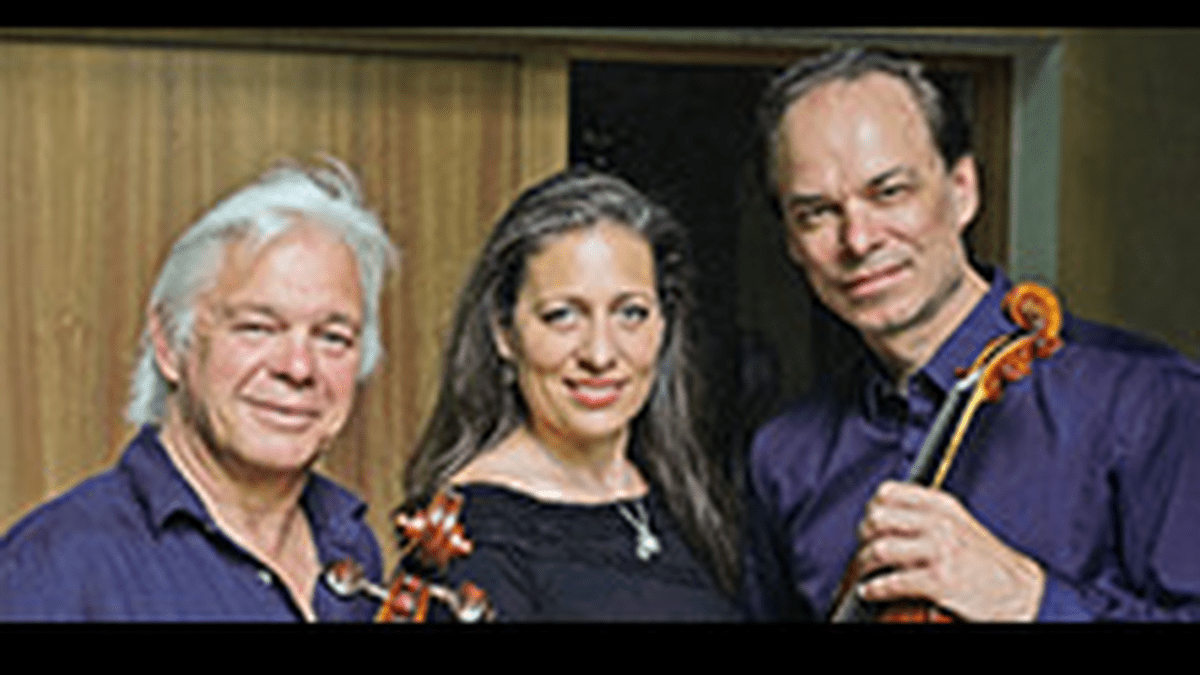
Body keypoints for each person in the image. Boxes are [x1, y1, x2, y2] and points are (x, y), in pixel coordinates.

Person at [743, 49, 1200, 621]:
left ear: (963, 189)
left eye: (889, 192)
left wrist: (1029, 599)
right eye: (816, 213)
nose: (858, 240)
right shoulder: (785, 455)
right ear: (792, 242)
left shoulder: (1147, 400)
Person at [1, 157, 399, 621]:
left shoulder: (349, 548)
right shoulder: (56, 566)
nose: (298, 368)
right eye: (257, 328)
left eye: (332, 337)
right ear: (171, 343)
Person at [402, 168, 742, 621]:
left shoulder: (678, 495)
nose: (600, 354)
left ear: (663, 324)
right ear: (504, 332)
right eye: (562, 315)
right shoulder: (473, 539)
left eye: (631, 313)